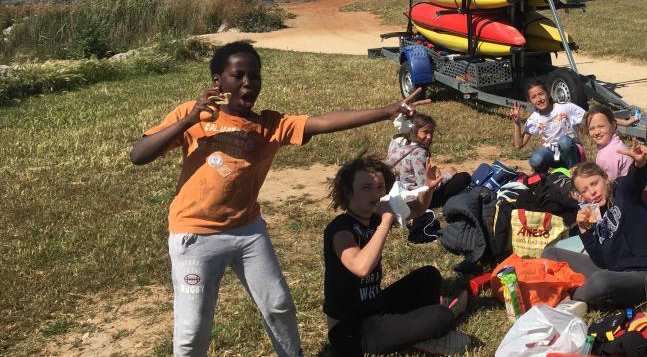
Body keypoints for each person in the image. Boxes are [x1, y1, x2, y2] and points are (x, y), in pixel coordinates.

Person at [129, 41, 428, 357]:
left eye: (254, 76)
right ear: (217, 81)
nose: (248, 83)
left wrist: (387, 111)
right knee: (192, 332)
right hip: (194, 235)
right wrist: (189, 120)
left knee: (279, 305)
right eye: (238, 75)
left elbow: (325, 121)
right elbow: (139, 154)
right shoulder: (195, 117)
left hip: (247, 231)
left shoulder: (268, 125)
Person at [324, 154, 467, 356]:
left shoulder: (373, 216)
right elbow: (361, 267)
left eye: (380, 187)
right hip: (351, 330)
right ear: (348, 192)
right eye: (366, 188)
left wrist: (428, 187)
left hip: (375, 306)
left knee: (429, 276)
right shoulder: (340, 229)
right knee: (440, 316)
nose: (375, 194)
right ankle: (425, 332)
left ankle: (413, 328)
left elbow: (417, 209)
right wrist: (385, 222)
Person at [541, 140, 647, 308]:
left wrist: (640, 162)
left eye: (594, 183)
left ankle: (571, 296)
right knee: (551, 253)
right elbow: (600, 259)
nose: (592, 192)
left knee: (600, 282)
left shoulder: (623, 190)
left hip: (644, 274)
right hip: (613, 271)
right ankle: (574, 289)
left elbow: (636, 179)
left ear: (606, 179)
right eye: (584, 190)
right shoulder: (595, 214)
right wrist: (584, 230)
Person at [387, 113, 470, 208]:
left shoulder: (395, 141)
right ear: (414, 130)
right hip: (412, 201)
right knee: (464, 178)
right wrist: (448, 176)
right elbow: (425, 187)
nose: (429, 137)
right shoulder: (418, 152)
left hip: (393, 193)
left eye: (432, 132)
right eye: (425, 132)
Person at [511, 79, 585, 175]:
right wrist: (517, 123)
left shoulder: (565, 107)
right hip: (554, 154)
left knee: (564, 141)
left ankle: (575, 172)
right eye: (533, 97)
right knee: (535, 160)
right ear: (530, 102)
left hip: (572, 152)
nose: (539, 99)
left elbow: (588, 118)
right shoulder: (534, 118)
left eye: (541, 94)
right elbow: (518, 145)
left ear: (548, 94)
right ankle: (545, 179)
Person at [583, 104, 640, 182]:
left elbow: (608, 185)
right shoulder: (616, 144)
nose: (596, 132)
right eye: (592, 128)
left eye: (601, 126)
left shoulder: (607, 155)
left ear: (613, 125)